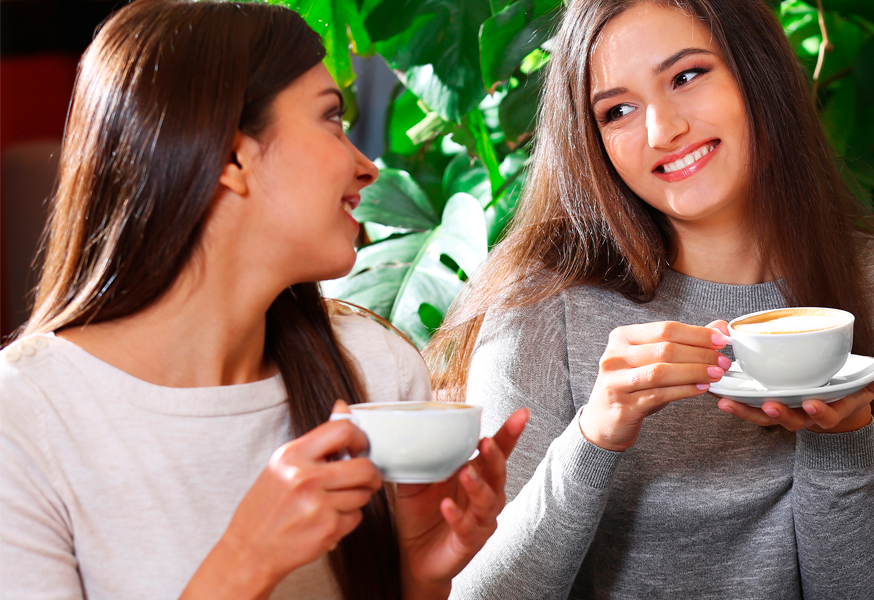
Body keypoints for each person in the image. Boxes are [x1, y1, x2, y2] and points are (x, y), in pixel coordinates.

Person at [423, 0, 874, 598]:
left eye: (686, 75)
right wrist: (594, 437)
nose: (662, 131)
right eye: (617, 110)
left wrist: (840, 445)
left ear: (757, 71)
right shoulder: (541, 302)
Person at [0, 2, 528, 599]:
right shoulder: (23, 417)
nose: (366, 168)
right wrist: (245, 562)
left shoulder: (376, 369)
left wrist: (417, 574)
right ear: (232, 157)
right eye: (332, 118)